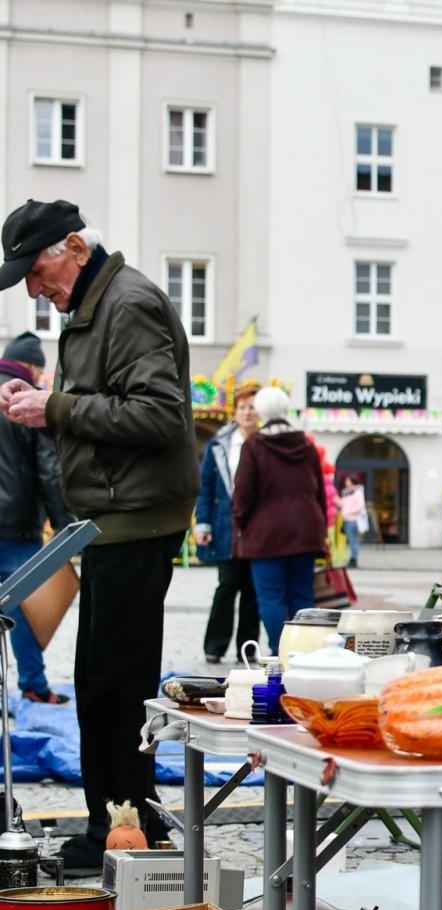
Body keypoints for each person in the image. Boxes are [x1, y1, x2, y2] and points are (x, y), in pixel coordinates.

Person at [0, 200, 198, 871]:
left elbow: (159, 416)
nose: (34, 286)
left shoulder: (128, 303)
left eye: (37, 269)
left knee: (113, 685)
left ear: (75, 247)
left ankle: (123, 829)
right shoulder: (94, 308)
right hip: (112, 521)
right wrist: (48, 411)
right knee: (101, 685)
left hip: (134, 521)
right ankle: (116, 823)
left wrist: (52, 406)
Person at [0, 331, 76, 703]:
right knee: (26, 610)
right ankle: (32, 686)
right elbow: (49, 470)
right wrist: (65, 527)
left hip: (16, 524)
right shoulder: (23, 401)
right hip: (16, 526)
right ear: (32, 367)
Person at [232, 386, 328, 654]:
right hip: (306, 530)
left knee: (271, 596)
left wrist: (241, 523)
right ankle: (305, 652)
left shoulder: (255, 445)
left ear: (261, 412)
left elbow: (243, 493)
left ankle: (281, 651)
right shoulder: (306, 444)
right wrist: (321, 529)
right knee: (302, 595)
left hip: (266, 533)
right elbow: (319, 489)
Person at [194, 382, 261, 664]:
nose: (247, 413)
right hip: (226, 526)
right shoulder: (219, 445)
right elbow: (206, 485)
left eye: (252, 408)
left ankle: (247, 647)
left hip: (258, 528)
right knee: (226, 585)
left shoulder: (266, 442)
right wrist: (203, 523)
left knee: (252, 590)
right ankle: (215, 645)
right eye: (242, 407)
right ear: (235, 412)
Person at [337, 474, 367, 567]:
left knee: (353, 540)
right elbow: (341, 504)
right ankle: (352, 558)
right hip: (346, 519)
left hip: (353, 520)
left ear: (352, 482)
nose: (346, 482)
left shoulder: (357, 492)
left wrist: (348, 512)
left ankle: (354, 559)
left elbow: (360, 506)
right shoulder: (346, 492)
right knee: (350, 540)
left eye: (348, 480)